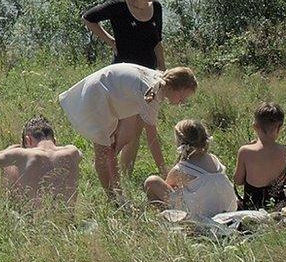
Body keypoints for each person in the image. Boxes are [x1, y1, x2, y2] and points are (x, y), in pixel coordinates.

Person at [59, 63, 197, 198]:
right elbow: (152, 140)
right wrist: (165, 174)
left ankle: (118, 192)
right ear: (178, 88)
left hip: (109, 93)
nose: (182, 102)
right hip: (98, 95)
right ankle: (112, 198)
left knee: (113, 147)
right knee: (103, 152)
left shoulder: (158, 82)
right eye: (183, 97)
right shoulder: (152, 92)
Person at [82, 0, 165, 174]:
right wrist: (111, 41)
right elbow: (89, 18)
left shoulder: (156, 8)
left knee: (136, 130)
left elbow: (157, 42)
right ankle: (106, 167)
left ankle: (125, 173)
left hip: (148, 78)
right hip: (121, 79)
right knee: (120, 128)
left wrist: (162, 73)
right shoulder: (119, 7)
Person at [0, 116, 82, 208]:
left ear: (28, 140)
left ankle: (9, 207)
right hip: (66, 224)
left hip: (33, 223)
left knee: (9, 167)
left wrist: (8, 151)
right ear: (54, 140)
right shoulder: (73, 152)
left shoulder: (23, 155)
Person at [143, 119, 237, 219]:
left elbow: (168, 187)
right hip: (229, 207)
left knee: (152, 181)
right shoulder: (213, 158)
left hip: (203, 214)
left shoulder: (182, 169)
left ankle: (166, 218)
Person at [233, 102, 286, 210]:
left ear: (255, 127)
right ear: (280, 128)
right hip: (278, 205)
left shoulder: (245, 151)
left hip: (252, 206)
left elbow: (238, 181)